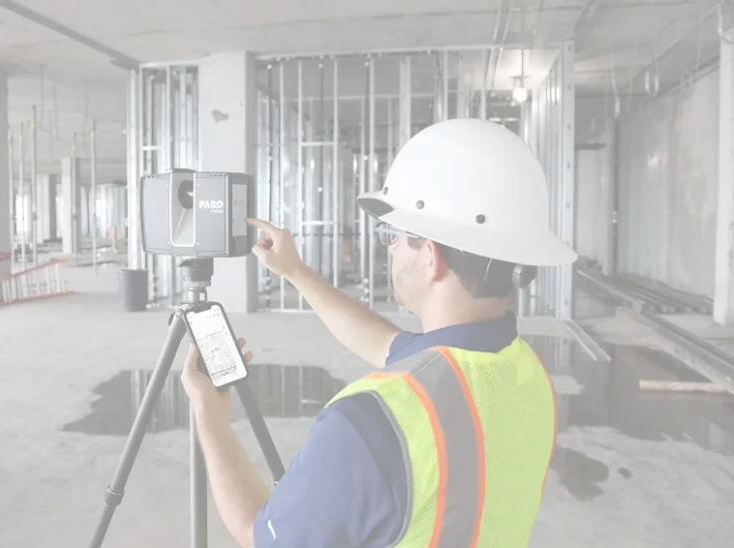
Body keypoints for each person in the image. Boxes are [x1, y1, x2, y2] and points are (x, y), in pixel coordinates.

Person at [180, 118, 578, 547]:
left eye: (392, 234)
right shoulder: (528, 376)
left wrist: (209, 414)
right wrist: (296, 273)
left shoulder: (365, 423)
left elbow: (260, 538)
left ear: (431, 256)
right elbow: (383, 344)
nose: (386, 247)